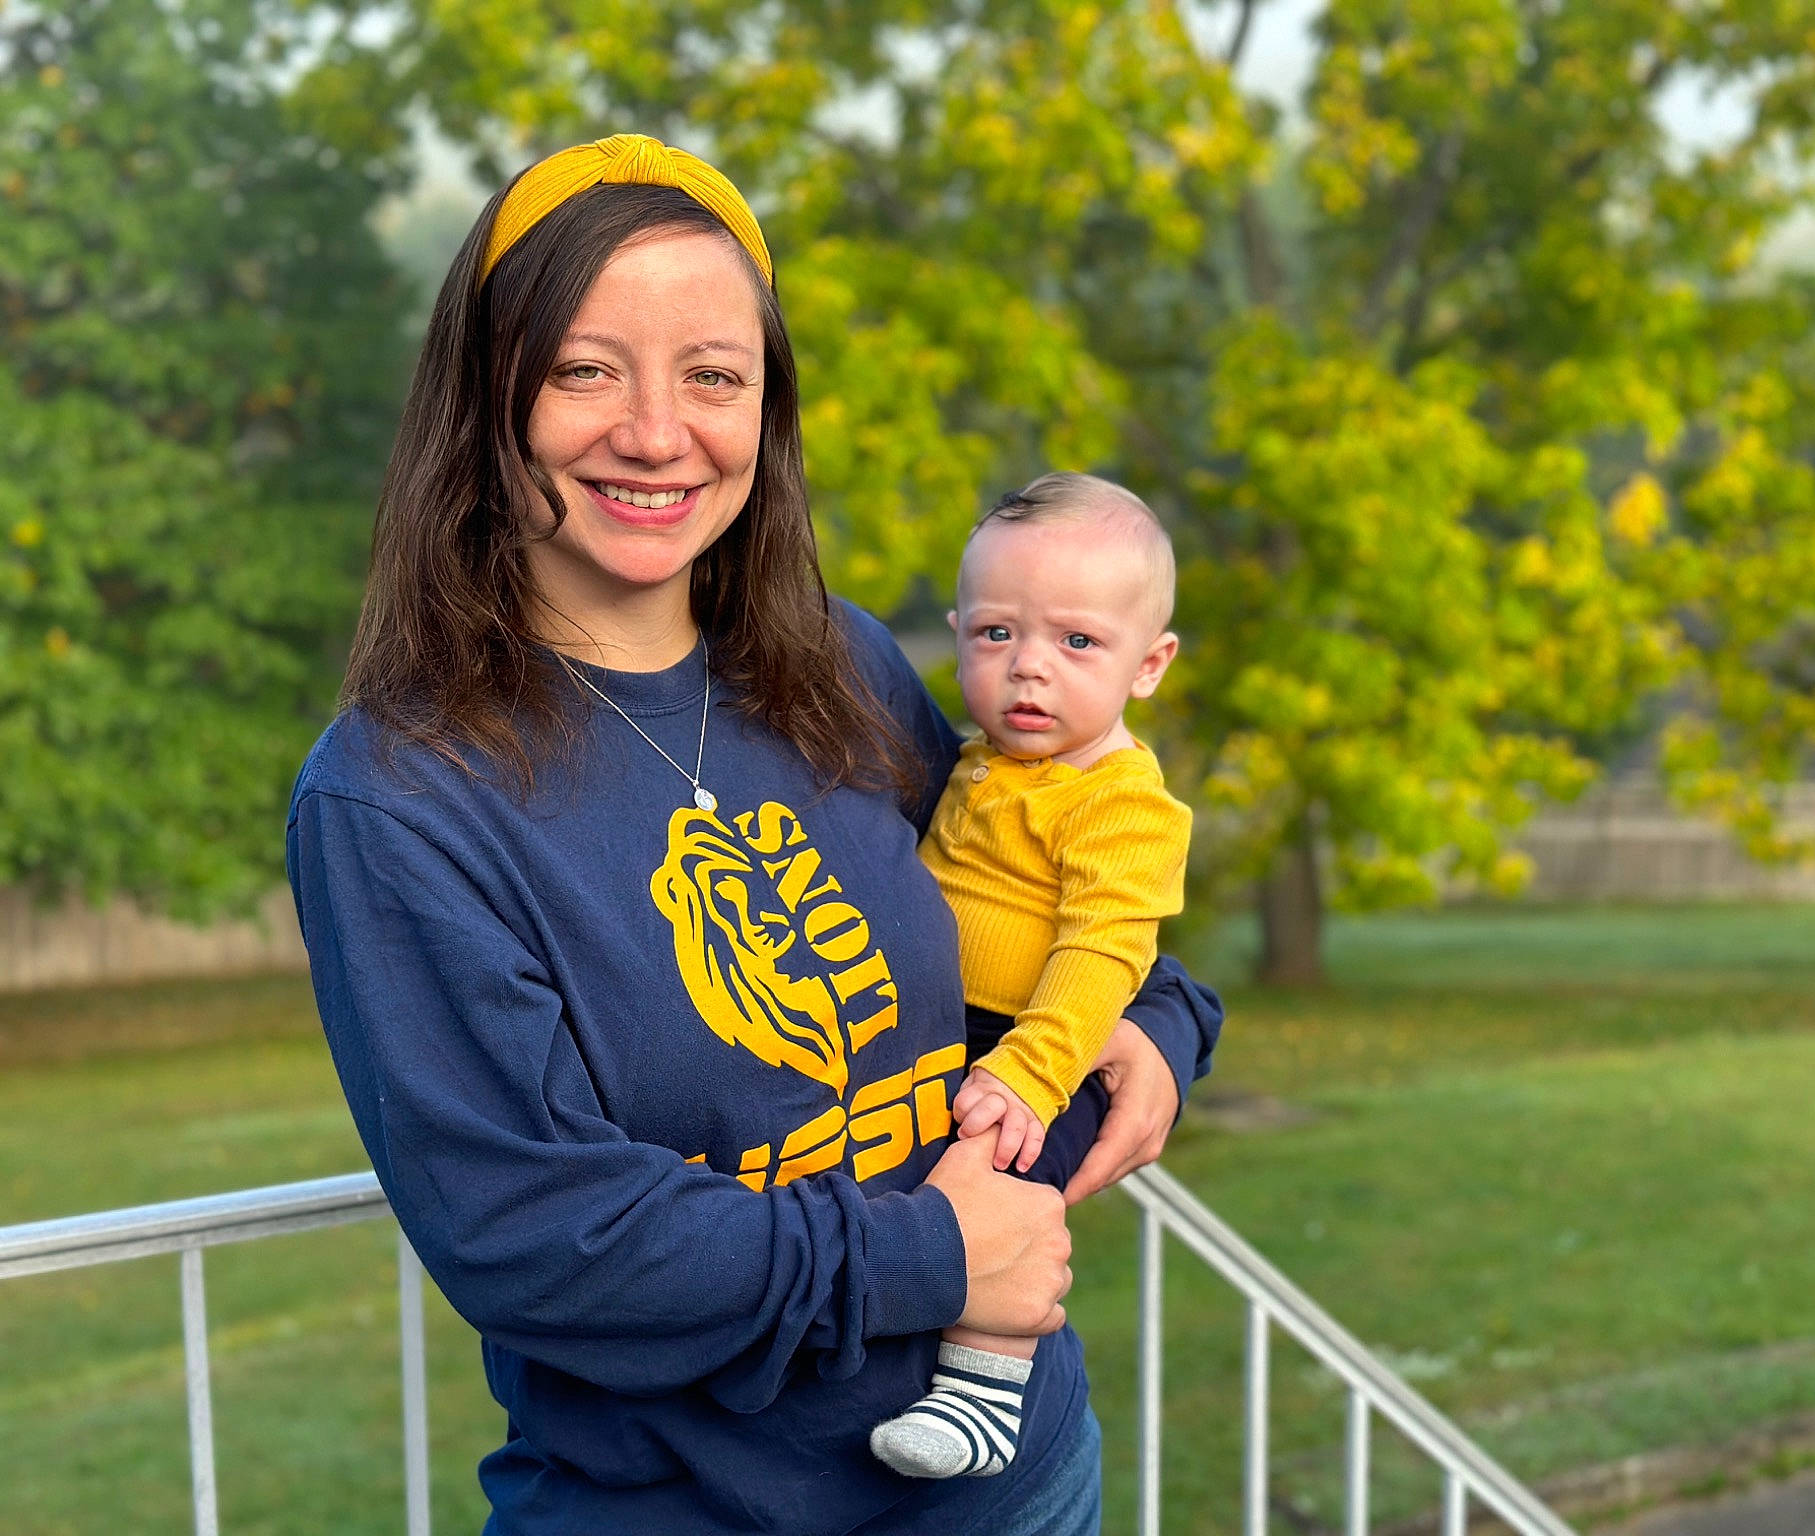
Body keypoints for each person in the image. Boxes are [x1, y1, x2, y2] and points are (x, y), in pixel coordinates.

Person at [285, 133, 1221, 1536]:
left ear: (766, 410)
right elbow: (536, 1239)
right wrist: (933, 1259)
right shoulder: (400, 796)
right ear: (487, 396)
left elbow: (1029, 880)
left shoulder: (832, 661)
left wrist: (1160, 1017)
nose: (658, 433)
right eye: (585, 368)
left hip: (1019, 1487)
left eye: (713, 374)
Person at [870, 474, 1190, 1482]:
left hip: (1035, 1054)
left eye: (1076, 643)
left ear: (1150, 665)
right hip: (949, 1039)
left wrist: (1029, 1075)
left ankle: (982, 1395)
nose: (1028, 672)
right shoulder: (980, 760)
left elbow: (1104, 950)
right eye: (997, 636)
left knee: (1001, 1198)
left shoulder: (1120, 802)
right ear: (958, 631)